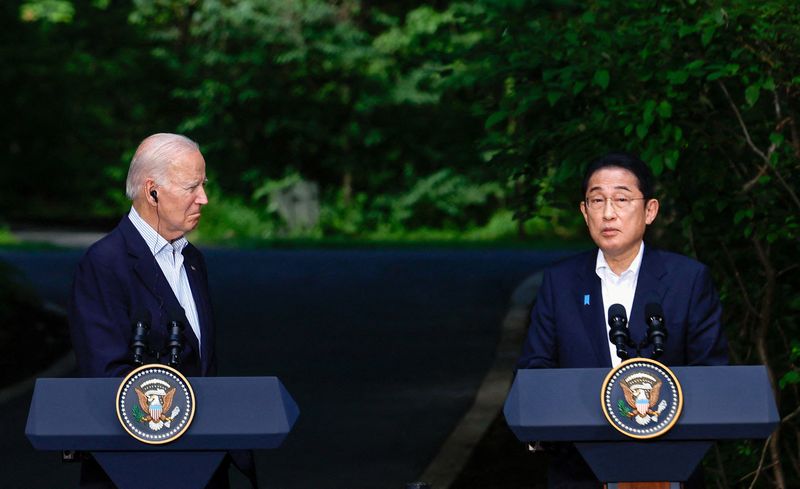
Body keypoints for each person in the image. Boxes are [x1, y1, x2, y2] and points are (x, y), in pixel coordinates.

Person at [516, 152, 728, 488]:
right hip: (579, 471)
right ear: (585, 212)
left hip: (668, 470)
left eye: (622, 198)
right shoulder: (561, 282)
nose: (608, 212)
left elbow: (711, 375)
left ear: (650, 211)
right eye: (597, 200)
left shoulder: (688, 280)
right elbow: (535, 370)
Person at [69, 133, 251, 488]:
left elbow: (201, 365)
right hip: (135, 471)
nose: (204, 198)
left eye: (204, 185)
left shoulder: (193, 261)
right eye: (192, 187)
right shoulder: (104, 263)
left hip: (203, 467)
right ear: (152, 191)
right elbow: (106, 379)